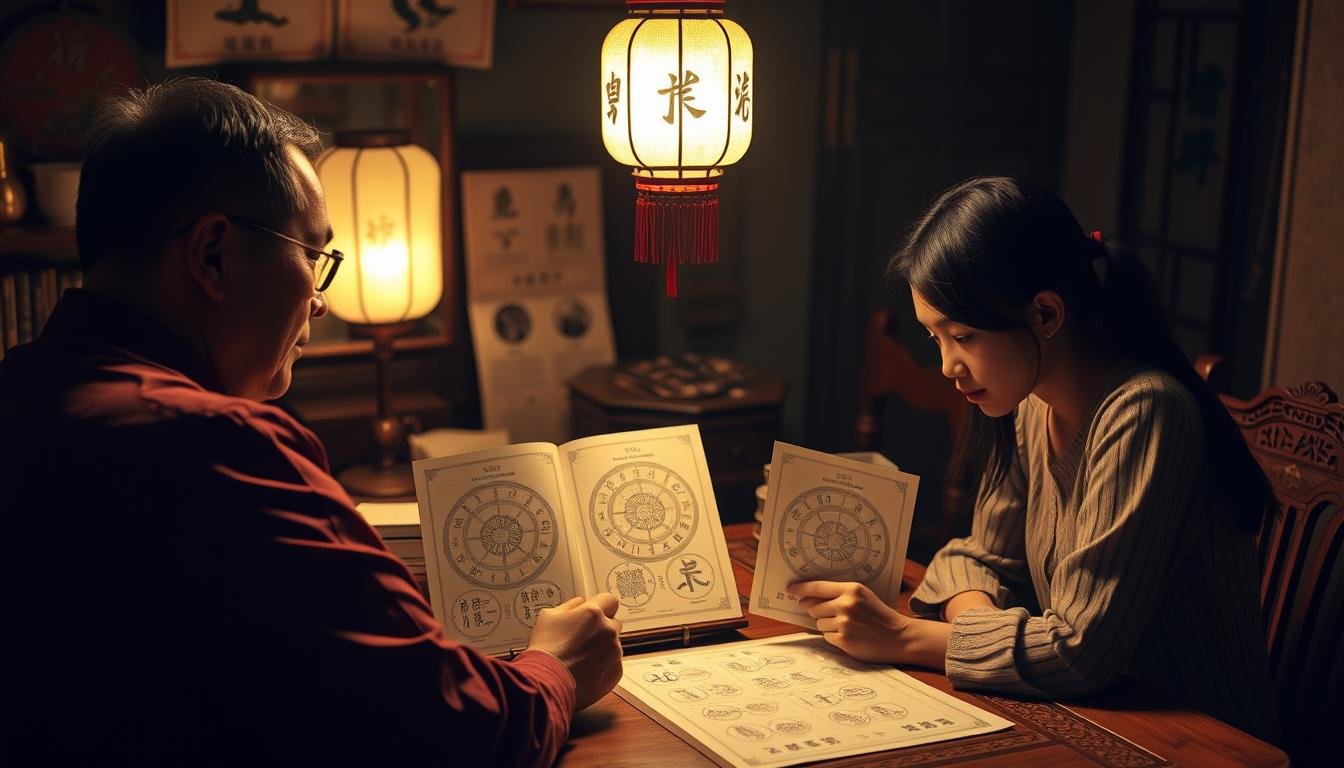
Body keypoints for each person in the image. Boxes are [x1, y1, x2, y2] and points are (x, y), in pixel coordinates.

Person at [0, 77, 622, 763]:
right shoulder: (218, 446)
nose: (320, 304)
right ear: (214, 254)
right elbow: (471, 732)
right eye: (313, 255)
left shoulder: (23, 393)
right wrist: (558, 666)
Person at [787, 176, 1281, 744]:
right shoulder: (1029, 404)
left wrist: (902, 637)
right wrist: (986, 627)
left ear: (1046, 314)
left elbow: (1078, 651)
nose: (948, 366)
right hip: (1096, 718)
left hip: (1197, 739)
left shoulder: (1145, 412)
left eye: (964, 336)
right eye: (935, 338)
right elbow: (976, 559)